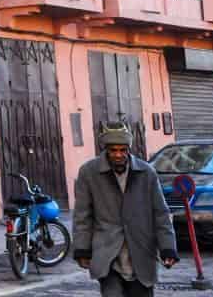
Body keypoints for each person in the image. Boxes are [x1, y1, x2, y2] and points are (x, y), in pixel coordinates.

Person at [72, 122, 179, 297]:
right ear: (106, 149)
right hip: (107, 253)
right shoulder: (89, 173)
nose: (118, 155)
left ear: (128, 149)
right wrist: (82, 248)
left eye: (122, 150)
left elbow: (161, 213)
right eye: (113, 150)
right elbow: (82, 215)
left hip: (141, 250)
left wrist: (168, 248)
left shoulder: (147, 173)